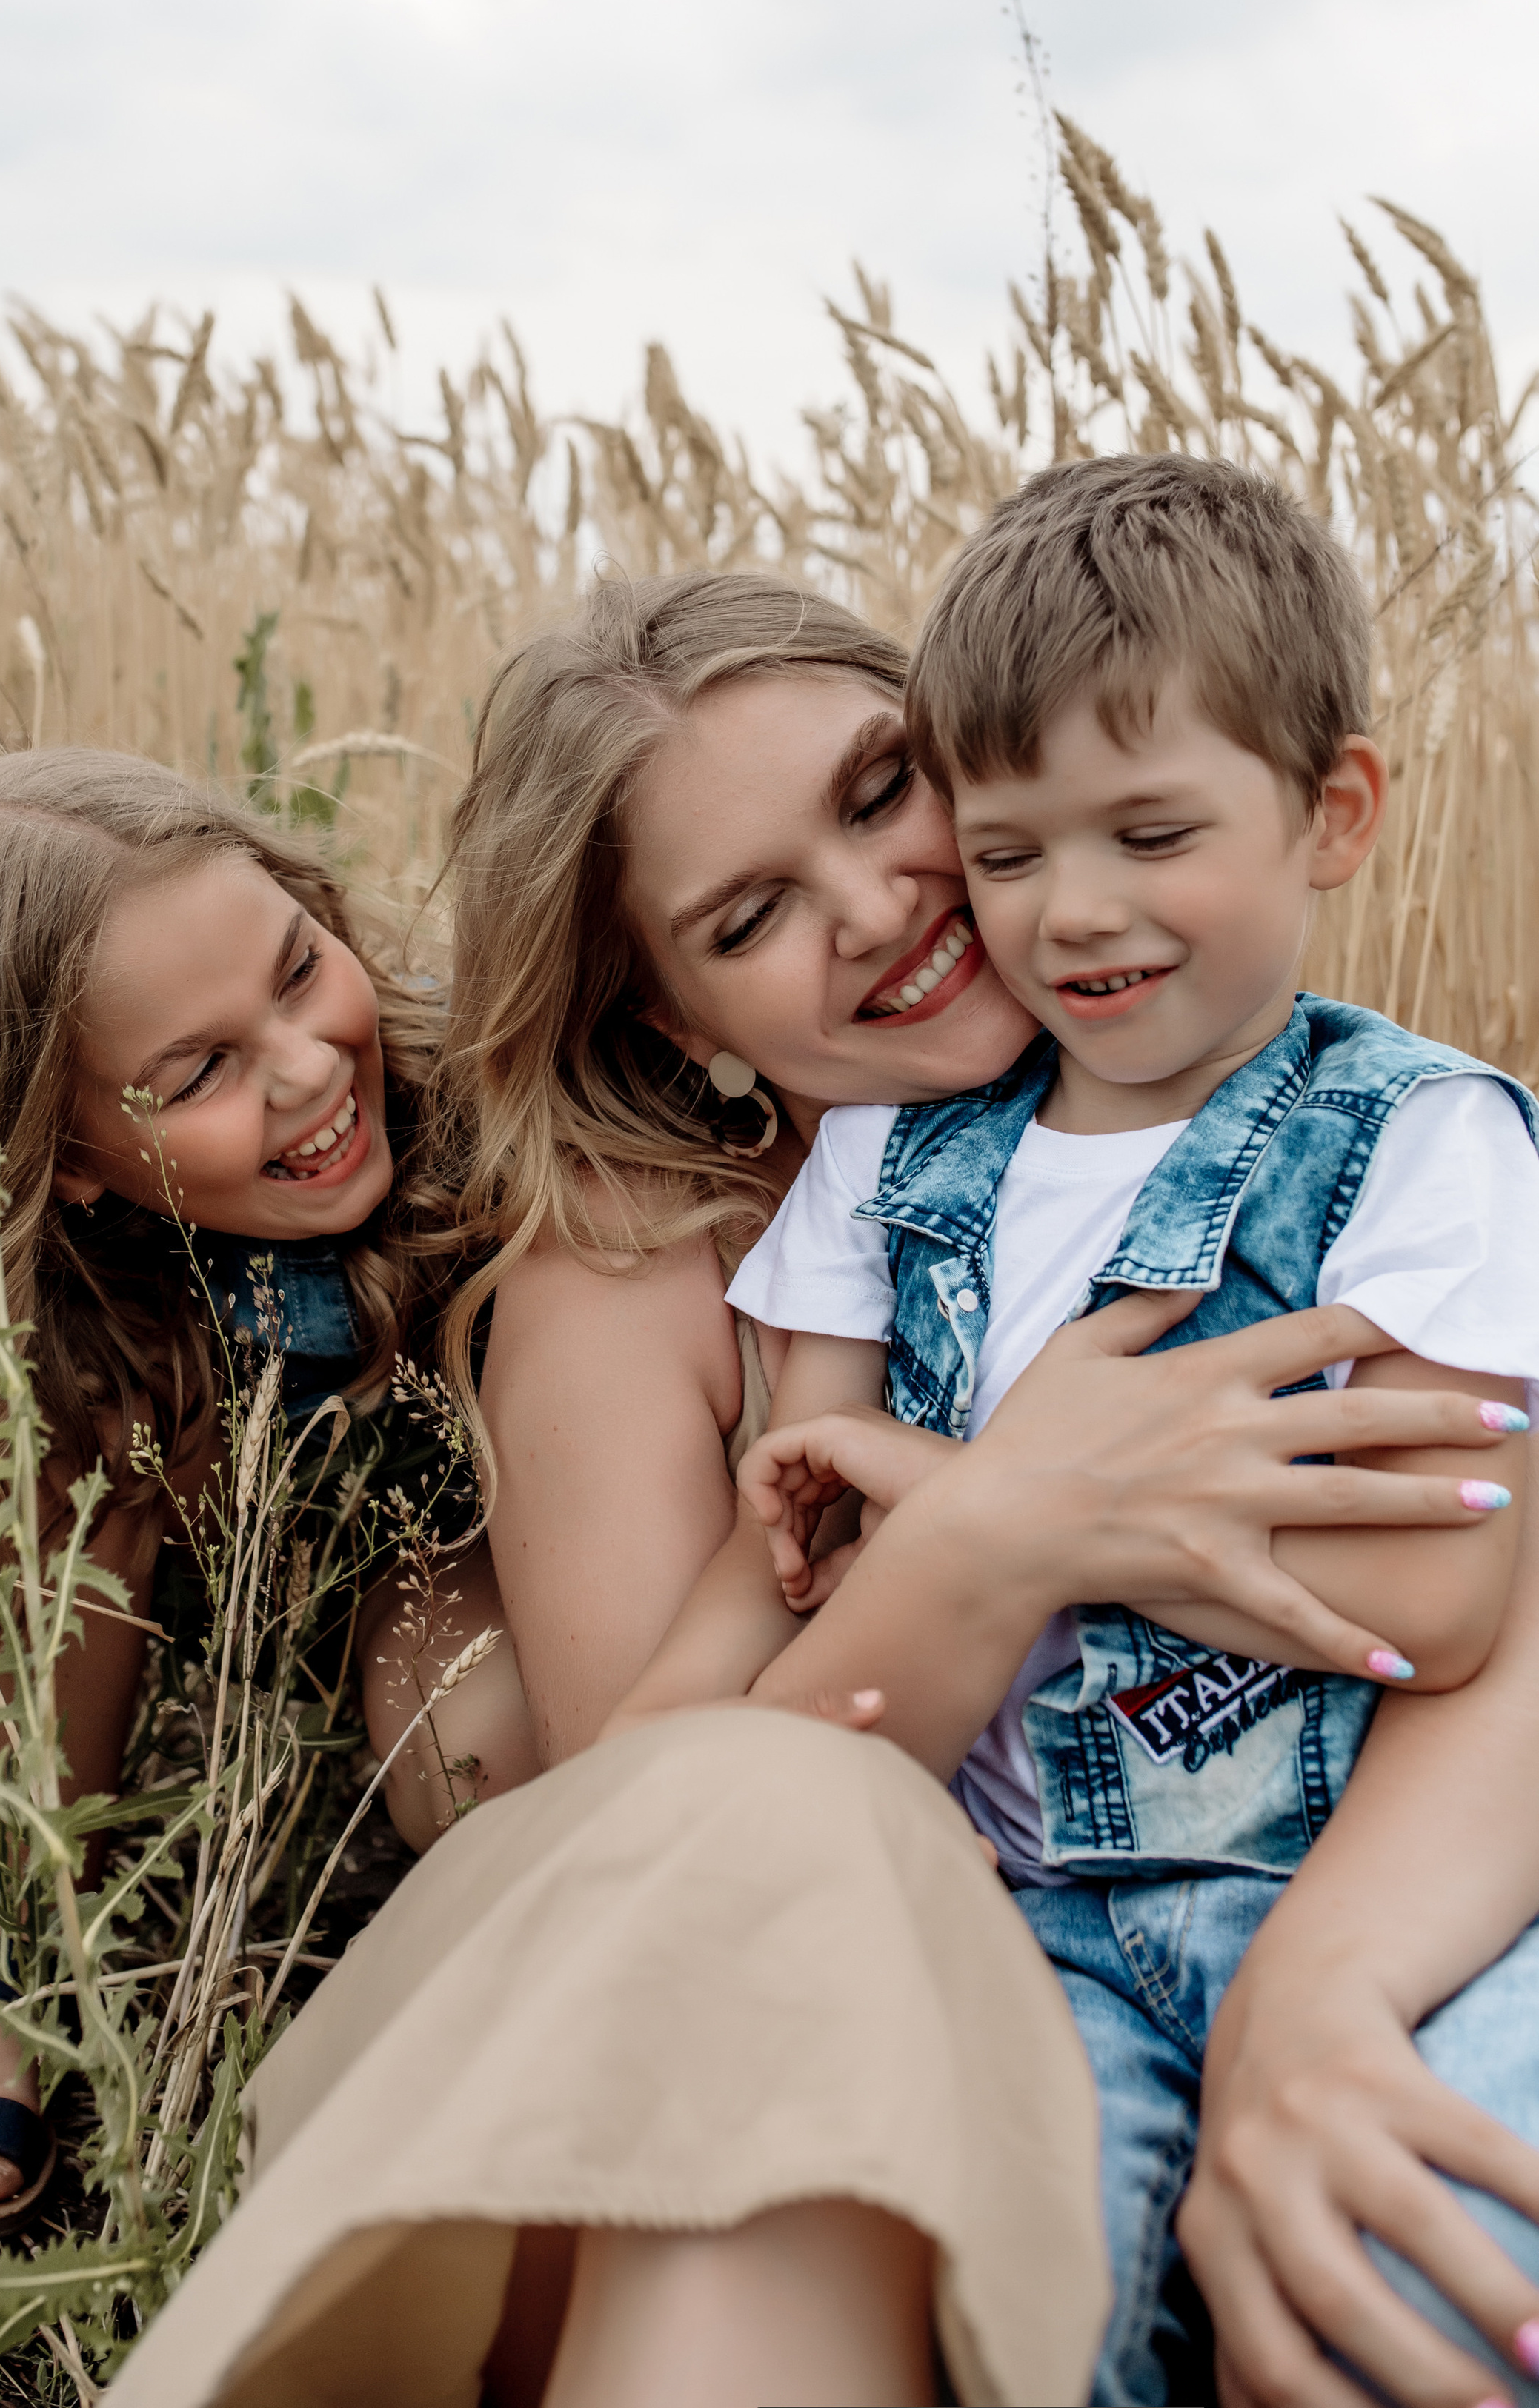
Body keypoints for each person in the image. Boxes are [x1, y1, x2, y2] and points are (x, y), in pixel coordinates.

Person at [104, 573, 1519, 2408]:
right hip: (862, 1991)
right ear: (676, 1013)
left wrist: (1302, 1999)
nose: (878, 912)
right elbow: (696, 1848)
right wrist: (995, 1526)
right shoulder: (639, 1289)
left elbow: (1472, 1600)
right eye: (750, 916)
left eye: (879, 796)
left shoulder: (1273, 1092)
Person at [726, 459, 1539, 2402]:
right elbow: (807, 1551)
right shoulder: (881, 1174)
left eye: (1152, 831)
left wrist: (971, 1493)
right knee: (1038, 2317)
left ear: (1334, 812)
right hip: (1023, 1927)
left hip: (1366, 1890)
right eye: (1005, 855)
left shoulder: (1424, 1144)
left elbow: (1437, 1590)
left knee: (1410, 2299)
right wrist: (953, 1512)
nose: (1074, 914)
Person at [0, 747, 534, 2236]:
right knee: (38, 1438)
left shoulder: (476, 1110)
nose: (311, 1066)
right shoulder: (14, 1277)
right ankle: (26, 1949)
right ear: (52, 1151)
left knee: (484, 1756)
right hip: (180, 1544)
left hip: (446, 1530)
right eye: (196, 1072)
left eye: (300, 971)